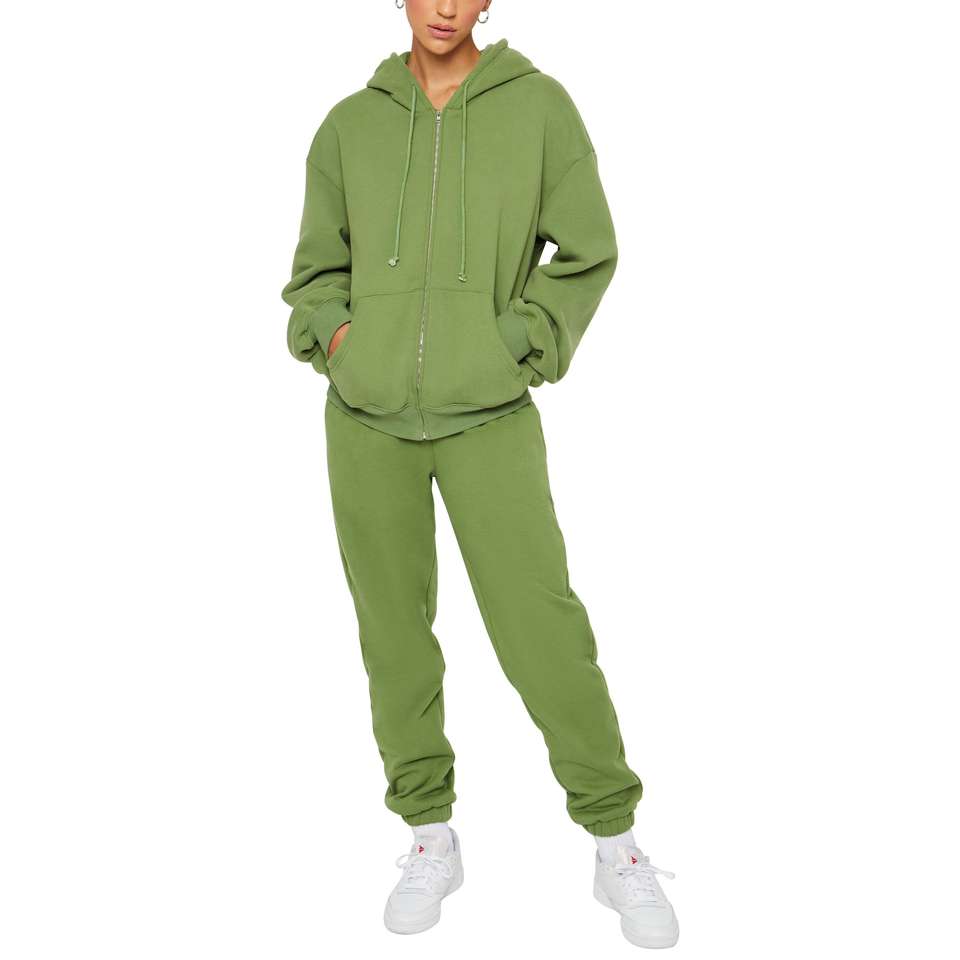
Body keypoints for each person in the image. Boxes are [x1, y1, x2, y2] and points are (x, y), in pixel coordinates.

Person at [281, 1, 678, 948]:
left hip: (490, 414)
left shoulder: (539, 109)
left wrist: (518, 342)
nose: (447, 6)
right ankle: (429, 831)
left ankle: (614, 839)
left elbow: (587, 250)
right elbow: (314, 273)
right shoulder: (349, 124)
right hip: (365, 421)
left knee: (541, 626)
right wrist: (342, 342)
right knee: (392, 633)